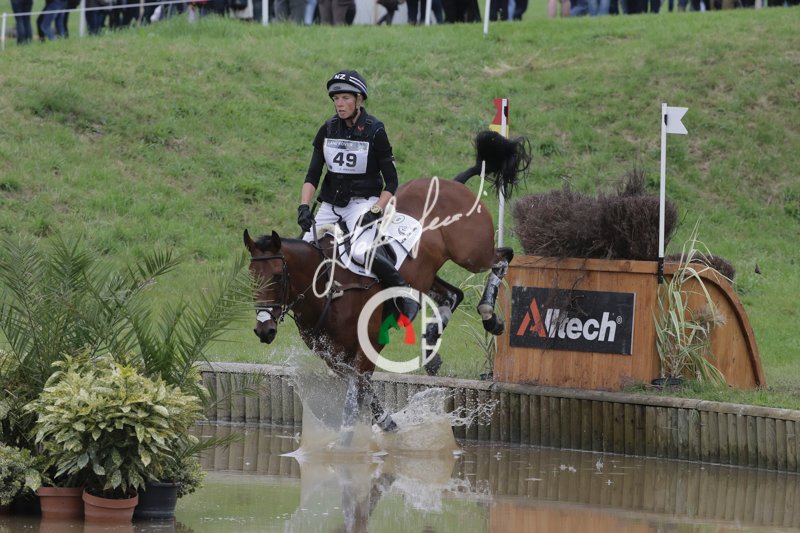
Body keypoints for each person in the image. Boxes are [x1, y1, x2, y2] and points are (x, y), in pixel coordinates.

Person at [297, 70, 419, 322]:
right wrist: (304, 207)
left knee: (362, 251)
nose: (339, 104)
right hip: (330, 205)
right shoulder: (327, 129)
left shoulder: (375, 130)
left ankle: (404, 294)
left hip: (363, 204)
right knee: (303, 251)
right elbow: (312, 175)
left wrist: (376, 210)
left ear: (359, 99)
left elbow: (392, 181)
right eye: (336, 99)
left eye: (345, 98)